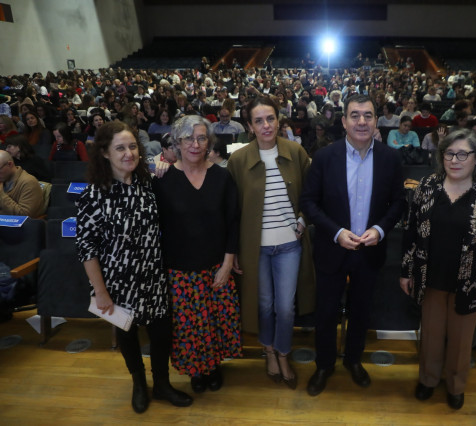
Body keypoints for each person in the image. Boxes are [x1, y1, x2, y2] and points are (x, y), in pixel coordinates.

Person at [75, 121, 193, 413]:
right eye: (120, 148)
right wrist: (100, 292)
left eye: (132, 147)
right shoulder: (92, 196)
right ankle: (139, 384)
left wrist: (164, 170)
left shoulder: (148, 184)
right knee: (127, 336)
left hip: (154, 278)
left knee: (162, 334)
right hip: (117, 284)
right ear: (104, 153)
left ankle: (162, 384)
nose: (129, 153)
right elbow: (86, 250)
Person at [300, 94, 404, 396]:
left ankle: (354, 360)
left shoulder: (390, 158)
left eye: (368, 115)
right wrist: (336, 232)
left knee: (361, 310)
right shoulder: (323, 157)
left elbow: (398, 202)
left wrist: (380, 229)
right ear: (343, 121)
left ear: (376, 121)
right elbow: (309, 202)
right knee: (326, 312)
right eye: (355, 115)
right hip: (333, 249)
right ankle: (324, 365)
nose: (362, 121)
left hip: (370, 250)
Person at [399, 129, 476, 410]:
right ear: (441, 156)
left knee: (461, 341)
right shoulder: (427, 186)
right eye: (449, 153)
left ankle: (456, 386)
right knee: (431, 336)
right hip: (430, 276)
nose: (455, 160)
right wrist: (406, 270)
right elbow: (411, 230)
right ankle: (428, 380)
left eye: (463, 154)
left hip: (471, 280)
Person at [227, 96, 315, 391]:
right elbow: (232, 210)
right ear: (250, 126)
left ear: (279, 120)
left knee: (286, 307)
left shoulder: (296, 151)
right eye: (259, 121)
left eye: (271, 119)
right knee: (263, 305)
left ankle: (284, 353)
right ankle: (269, 352)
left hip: (290, 245)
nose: (266, 125)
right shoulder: (239, 160)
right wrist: (234, 251)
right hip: (256, 249)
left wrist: (303, 219)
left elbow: (311, 195)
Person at [152, 115, 241, 394]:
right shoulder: (163, 179)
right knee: (190, 328)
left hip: (215, 265)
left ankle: (214, 367)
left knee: (214, 324)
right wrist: (155, 163)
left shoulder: (222, 176)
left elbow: (234, 221)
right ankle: (197, 371)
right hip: (179, 269)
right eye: (188, 138)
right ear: (177, 142)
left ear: (209, 142)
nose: (195, 144)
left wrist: (228, 262)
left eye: (201, 138)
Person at [0, 150, 45, 217]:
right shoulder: (3, 179)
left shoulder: (29, 182)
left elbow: (24, 215)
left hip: (21, 226)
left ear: (9, 164)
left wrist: (1, 194)